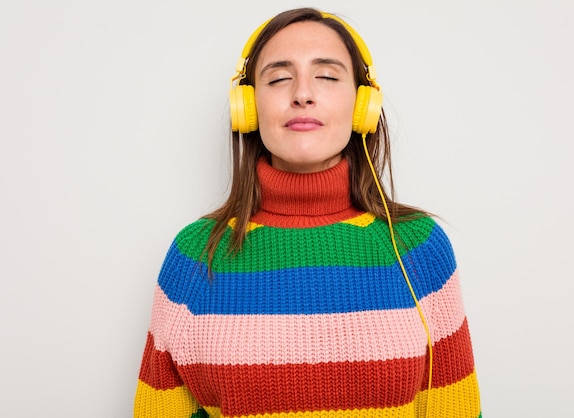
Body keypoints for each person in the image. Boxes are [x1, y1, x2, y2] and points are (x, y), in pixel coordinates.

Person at [133, 7, 482, 418]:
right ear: (247, 106)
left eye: (328, 76)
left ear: (361, 105)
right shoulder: (194, 256)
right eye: (279, 77)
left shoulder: (419, 248)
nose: (302, 93)